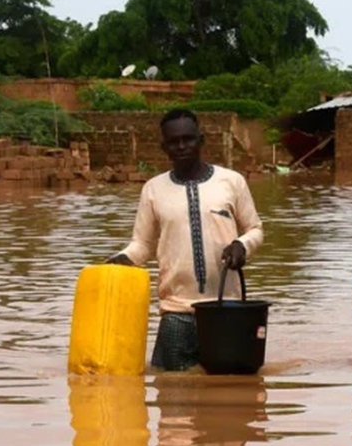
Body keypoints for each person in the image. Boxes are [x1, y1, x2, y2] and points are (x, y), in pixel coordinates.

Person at [109, 108, 264, 371]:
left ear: (201, 140)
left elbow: (255, 229)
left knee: (231, 396)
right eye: (173, 141)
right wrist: (122, 259)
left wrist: (242, 245)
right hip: (176, 310)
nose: (181, 146)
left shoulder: (231, 181)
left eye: (188, 139)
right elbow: (142, 244)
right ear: (164, 147)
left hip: (226, 309)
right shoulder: (153, 189)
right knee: (171, 394)